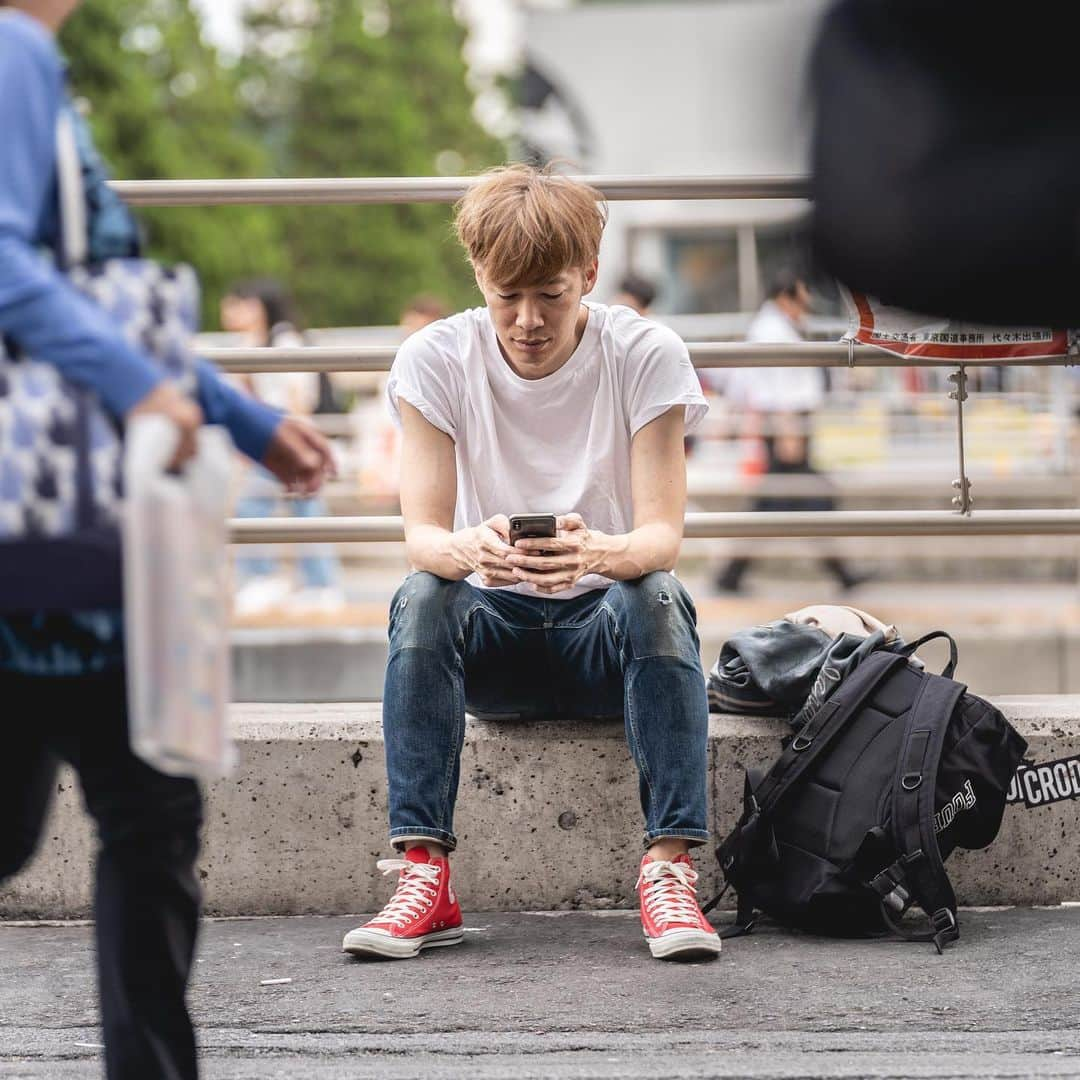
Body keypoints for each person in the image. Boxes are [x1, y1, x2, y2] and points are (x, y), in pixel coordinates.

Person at [0, 5, 334, 1078]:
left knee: (140, 814)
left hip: (65, 532)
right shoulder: (12, 50)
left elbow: (83, 297)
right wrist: (148, 388)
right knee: (144, 822)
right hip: (58, 544)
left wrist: (239, 418)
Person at [341, 164, 721, 964]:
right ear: (477, 273)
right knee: (424, 592)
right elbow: (422, 534)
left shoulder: (645, 352)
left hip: (603, 643)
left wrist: (602, 553)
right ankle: (424, 874)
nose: (527, 320)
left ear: (589, 272)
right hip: (496, 638)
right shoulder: (436, 359)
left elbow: (662, 537)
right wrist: (465, 547)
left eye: (551, 294)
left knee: (656, 592)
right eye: (505, 294)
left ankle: (670, 870)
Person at [715, 269, 869, 593]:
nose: (808, 300)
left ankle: (732, 574)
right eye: (802, 293)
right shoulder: (772, 329)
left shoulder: (777, 325)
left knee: (781, 503)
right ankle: (842, 573)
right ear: (786, 296)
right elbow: (778, 385)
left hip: (789, 425)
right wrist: (789, 431)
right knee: (804, 499)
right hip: (787, 426)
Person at [222, 279, 344, 615]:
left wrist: (296, 444)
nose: (231, 311)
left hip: (287, 437)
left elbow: (297, 395)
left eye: (240, 303)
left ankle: (291, 582)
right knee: (300, 508)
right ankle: (315, 584)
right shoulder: (250, 343)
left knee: (266, 506)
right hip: (272, 439)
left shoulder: (283, 338)